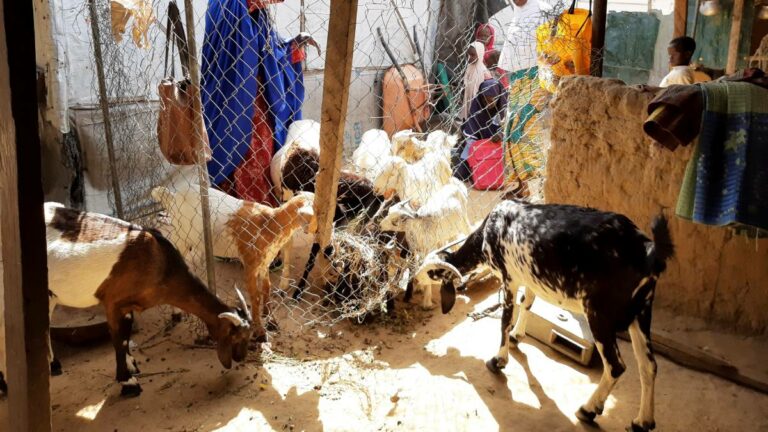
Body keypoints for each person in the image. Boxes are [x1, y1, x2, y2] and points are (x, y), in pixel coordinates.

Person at [455, 79, 508, 180]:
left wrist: (501, 134)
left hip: (499, 144)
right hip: (478, 143)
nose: (488, 104)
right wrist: (472, 149)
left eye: (492, 100)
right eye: (486, 100)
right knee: (460, 173)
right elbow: (472, 131)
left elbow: (509, 127)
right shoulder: (477, 104)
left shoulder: (504, 104)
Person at [461, 42, 493, 121]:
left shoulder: (484, 72)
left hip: (478, 101)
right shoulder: (469, 67)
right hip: (468, 98)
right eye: (468, 54)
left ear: (480, 54)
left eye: (472, 55)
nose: (469, 57)